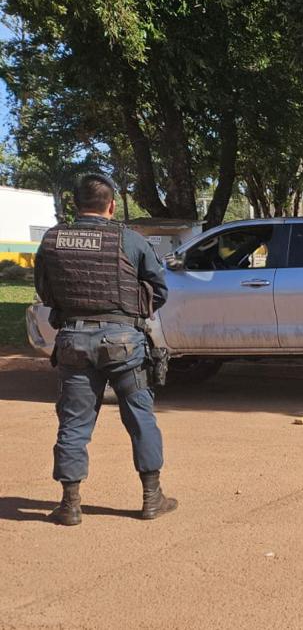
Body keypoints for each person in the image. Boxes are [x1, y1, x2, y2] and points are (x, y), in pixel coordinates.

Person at [34, 173, 177, 525]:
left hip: (73, 340)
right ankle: (151, 497)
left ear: (74, 204)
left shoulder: (51, 241)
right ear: (111, 205)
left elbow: (45, 291)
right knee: (140, 418)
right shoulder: (129, 240)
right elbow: (158, 290)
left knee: (74, 423)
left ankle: (69, 504)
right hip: (124, 342)